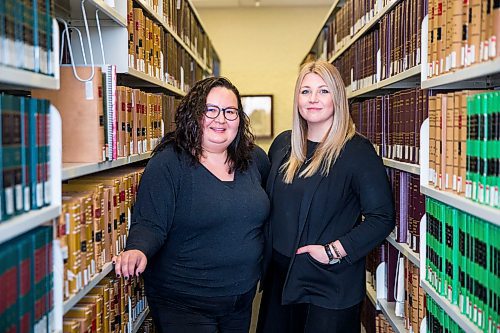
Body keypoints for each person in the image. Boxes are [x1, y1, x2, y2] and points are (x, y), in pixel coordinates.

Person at [113, 77, 270, 333]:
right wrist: (138, 249)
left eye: (230, 112)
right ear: (194, 114)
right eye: (211, 110)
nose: (221, 120)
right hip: (184, 301)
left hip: (241, 298)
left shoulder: (254, 160)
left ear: (240, 119)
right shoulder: (169, 163)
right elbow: (150, 222)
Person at [257, 60, 395, 333]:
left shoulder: (357, 152)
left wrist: (333, 252)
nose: (313, 99)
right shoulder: (284, 145)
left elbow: (382, 217)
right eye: (305, 91)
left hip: (327, 283)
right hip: (280, 280)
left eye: (323, 91)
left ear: (337, 97)